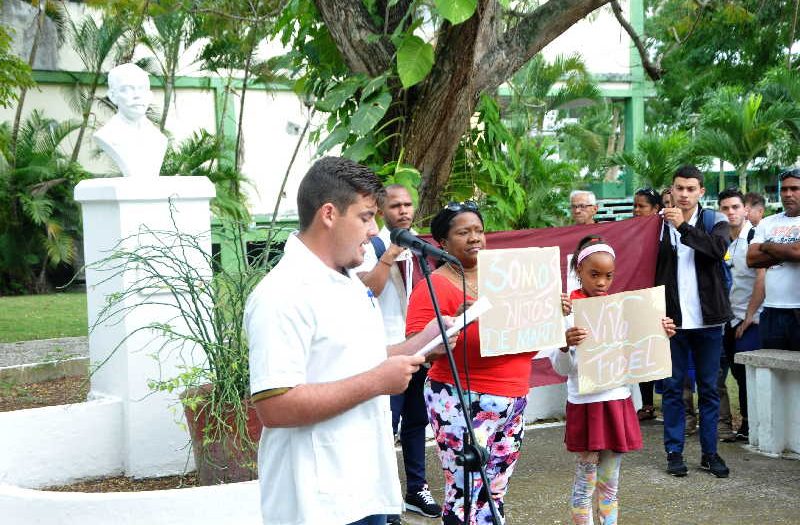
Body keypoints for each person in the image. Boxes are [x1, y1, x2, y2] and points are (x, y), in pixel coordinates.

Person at [246, 157, 453, 525]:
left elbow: (362, 359)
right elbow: (275, 406)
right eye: (365, 217)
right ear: (329, 214)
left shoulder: (347, 281)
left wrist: (423, 342)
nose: (374, 231)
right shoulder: (282, 294)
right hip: (317, 501)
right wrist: (377, 383)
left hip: (365, 485)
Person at [406, 201, 533, 525]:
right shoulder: (433, 288)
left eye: (478, 230)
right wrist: (455, 327)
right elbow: (419, 352)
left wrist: (548, 313)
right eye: (464, 232)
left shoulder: (507, 282)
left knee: (496, 490)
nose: (475, 238)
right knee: (466, 493)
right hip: (461, 399)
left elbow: (529, 336)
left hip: (514, 400)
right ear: (443, 243)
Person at [552, 235, 676, 525]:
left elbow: (640, 354)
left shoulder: (623, 309)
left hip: (617, 400)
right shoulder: (566, 313)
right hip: (586, 403)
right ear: (578, 272)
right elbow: (561, 368)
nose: (601, 282)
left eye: (608, 276)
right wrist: (563, 343)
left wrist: (660, 335)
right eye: (594, 274)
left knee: (610, 483)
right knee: (585, 481)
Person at [354, 184, 442, 523]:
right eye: (395, 206)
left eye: (408, 205)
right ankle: (384, 499)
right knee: (385, 424)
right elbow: (367, 291)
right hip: (385, 348)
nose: (403, 211)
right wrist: (389, 253)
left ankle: (416, 490)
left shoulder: (420, 244)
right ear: (380, 210)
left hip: (417, 344)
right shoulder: (373, 245)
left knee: (417, 420)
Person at [655, 165, 732, 478]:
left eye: (690, 189)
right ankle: (674, 452)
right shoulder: (657, 225)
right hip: (672, 323)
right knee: (673, 389)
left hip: (709, 322)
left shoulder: (716, 221)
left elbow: (716, 250)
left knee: (710, 389)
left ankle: (710, 453)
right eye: (679, 188)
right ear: (671, 190)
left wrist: (684, 226)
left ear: (702, 191)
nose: (684, 194)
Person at [716, 188, 764, 442]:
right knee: (736, 374)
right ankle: (746, 426)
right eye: (725, 208)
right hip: (728, 320)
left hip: (751, 320)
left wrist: (749, 316)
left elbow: (761, 279)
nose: (731, 212)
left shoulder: (754, 238)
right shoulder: (723, 240)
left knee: (750, 376)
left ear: (746, 209)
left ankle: (755, 426)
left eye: (735, 207)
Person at [747, 168, 800, 351]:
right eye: (784, 189)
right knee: (772, 373)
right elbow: (752, 259)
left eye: (794, 189)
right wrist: (789, 252)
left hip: (798, 309)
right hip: (771, 311)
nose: (788, 194)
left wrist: (768, 246)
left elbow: (798, 252)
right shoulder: (768, 222)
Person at [94, 63, 167, 178]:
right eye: (127, 89)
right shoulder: (107, 135)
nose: (137, 95)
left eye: (142, 88)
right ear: (113, 96)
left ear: (149, 95)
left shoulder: (159, 139)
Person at [631, 188, 664, 421]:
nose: (636, 210)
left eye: (642, 206)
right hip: (639, 301)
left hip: (662, 300)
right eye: (635, 205)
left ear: (656, 209)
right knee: (642, 351)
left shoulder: (666, 232)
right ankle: (647, 403)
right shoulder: (630, 232)